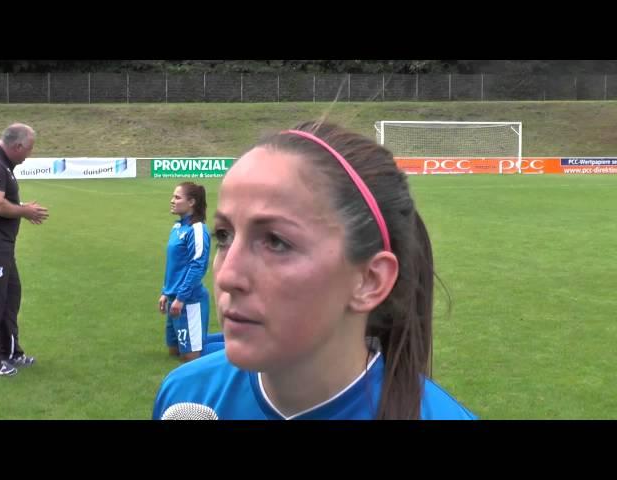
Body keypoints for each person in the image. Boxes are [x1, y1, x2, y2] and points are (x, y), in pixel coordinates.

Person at [153, 120, 476, 419]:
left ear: (369, 280)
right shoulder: (187, 398)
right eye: (224, 236)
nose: (226, 276)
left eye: (276, 242)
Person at [0, 123, 48, 377]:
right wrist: (25, 211)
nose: (29, 155)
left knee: (9, 299)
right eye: (28, 149)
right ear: (17, 146)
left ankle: (9, 352)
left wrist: (20, 206)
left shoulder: (1, 164)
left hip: (2, 247)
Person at [159, 181, 212, 363]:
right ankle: (206, 340)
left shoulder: (197, 230)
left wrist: (181, 298)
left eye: (177, 197)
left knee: (190, 357)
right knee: (174, 351)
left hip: (189, 300)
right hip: (174, 297)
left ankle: (233, 353)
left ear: (191, 202)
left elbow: (197, 265)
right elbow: (173, 264)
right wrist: (165, 293)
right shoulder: (177, 227)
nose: (172, 200)